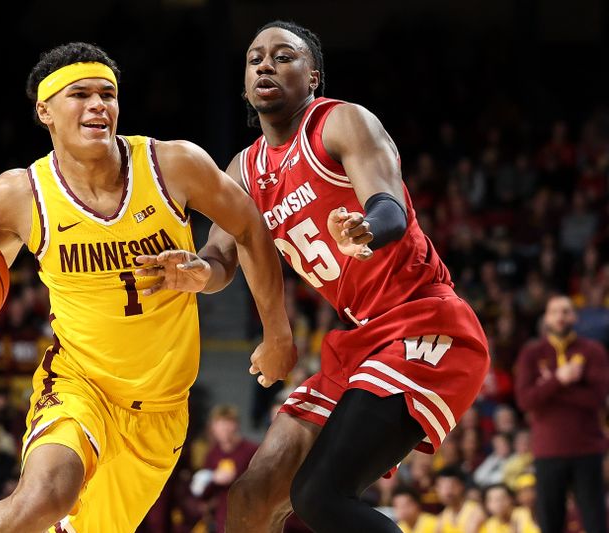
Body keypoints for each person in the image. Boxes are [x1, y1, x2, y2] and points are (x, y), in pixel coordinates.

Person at [0, 42, 295, 533]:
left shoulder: (173, 165)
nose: (99, 104)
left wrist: (263, 323)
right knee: (45, 496)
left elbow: (248, 228)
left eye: (108, 94)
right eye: (80, 94)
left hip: (161, 410)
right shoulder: (20, 195)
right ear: (45, 111)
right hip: (80, 384)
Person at [138, 20, 490, 532]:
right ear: (243, 83)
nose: (266, 64)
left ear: (313, 77)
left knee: (320, 496)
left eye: (284, 56)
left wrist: (364, 231)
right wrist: (197, 272)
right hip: (361, 339)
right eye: (255, 57)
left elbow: (389, 208)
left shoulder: (341, 123)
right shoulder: (242, 171)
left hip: (426, 324)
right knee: (251, 498)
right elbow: (219, 260)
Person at [515, 294, 609, 533]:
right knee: (550, 524)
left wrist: (549, 387)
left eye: (566, 311)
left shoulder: (593, 351)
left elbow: (597, 399)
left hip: (587, 448)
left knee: (594, 522)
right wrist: (561, 379)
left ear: (574, 316)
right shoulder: (531, 354)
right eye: (555, 311)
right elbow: (525, 400)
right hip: (548, 451)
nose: (561, 317)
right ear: (546, 318)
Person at [436, 467, 486, 533]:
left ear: (461, 486)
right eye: (443, 487)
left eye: (452, 486)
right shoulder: (442, 517)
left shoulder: (476, 510)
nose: (447, 492)